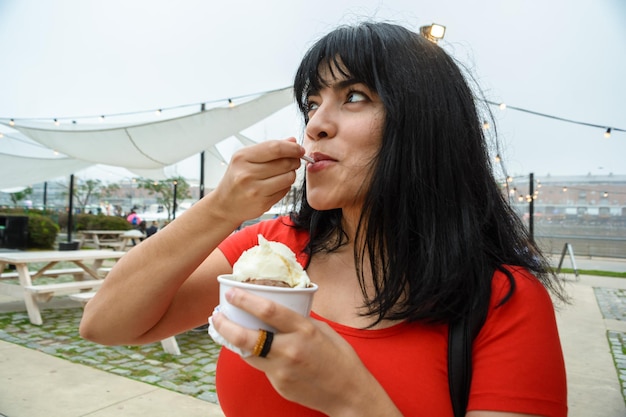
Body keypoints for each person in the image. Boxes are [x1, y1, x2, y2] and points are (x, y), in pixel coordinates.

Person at [80, 22, 568, 417]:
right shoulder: (271, 250)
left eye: (353, 95)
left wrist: (352, 401)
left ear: (425, 123)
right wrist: (219, 208)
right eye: (312, 103)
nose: (315, 123)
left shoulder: (504, 301)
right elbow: (105, 324)